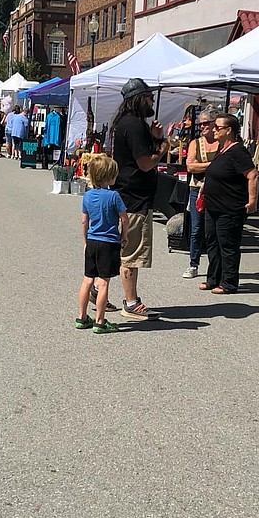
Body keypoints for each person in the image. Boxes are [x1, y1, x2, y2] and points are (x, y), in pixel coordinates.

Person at [108, 77, 169, 320]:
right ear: (138, 100)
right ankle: (131, 302)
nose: (151, 101)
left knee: (117, 248)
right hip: (134, 197)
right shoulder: (133, 125)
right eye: (148, 97)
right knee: (131, 252)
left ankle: (96, 287)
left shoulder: (126, 123)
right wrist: (162, 148)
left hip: (127, 194)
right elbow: (145, 163)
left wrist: (153, 138)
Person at [199, 113, 259, 294]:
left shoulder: (238, 151)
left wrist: (253, 201)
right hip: (213, 206)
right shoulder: (221, 149)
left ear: (229, 130)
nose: (214, 129)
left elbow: (252, 175)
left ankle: (229, 283)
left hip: (230, 207)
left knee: (228, 245)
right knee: (212, 243)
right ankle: (213, 279)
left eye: (218, 127)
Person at [75, 153, 128, 334]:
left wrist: (85, 241)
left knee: (87, 280)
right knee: (103, 282)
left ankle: (81, 317)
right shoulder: (114, 196)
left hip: (92, 241)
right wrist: (124, 235)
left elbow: (84, 220)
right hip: (108, 242)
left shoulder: (88, 196)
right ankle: (100, 320)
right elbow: (124, 218)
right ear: (108, 177)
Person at [182, 108, 220, 279]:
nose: (203, 126)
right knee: (196, 229)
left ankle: (215, 267)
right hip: (197, 189)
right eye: (201, 124)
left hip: (217, 190)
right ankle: (193, 263)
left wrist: (202, 165)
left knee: (213, 230)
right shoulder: (195, 143)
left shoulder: (221, 143)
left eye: (206, 123)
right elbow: (190, 167)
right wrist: (214, 164)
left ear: (214, 124)